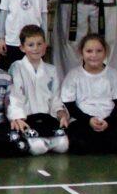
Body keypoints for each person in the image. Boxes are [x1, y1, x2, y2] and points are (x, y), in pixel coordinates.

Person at [61, 33, 117, 155]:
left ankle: (100, 144)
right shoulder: (73, 75)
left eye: (99, 51)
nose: (94, 55)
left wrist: (108, 121)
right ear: (81, 52)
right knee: (77, 145)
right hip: (82, 121)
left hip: (109, 121)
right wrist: (88, 120)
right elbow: (70, 105)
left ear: (105, 53)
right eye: (89, 51)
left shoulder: (114, 75)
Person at [8, 25, 70, 155]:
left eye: (39, 44)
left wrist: (61, 114)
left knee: (63, 146)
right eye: (31, 45)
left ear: (45, 45)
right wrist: (18, 117)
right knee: (38, 148)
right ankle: (35, 141)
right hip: (27, 119)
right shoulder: (16, 67)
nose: (36, 48)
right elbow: (15, 97)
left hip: (47, 118)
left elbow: (55, 99)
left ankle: (47, 140)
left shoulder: (51, 70)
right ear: (22, 47)